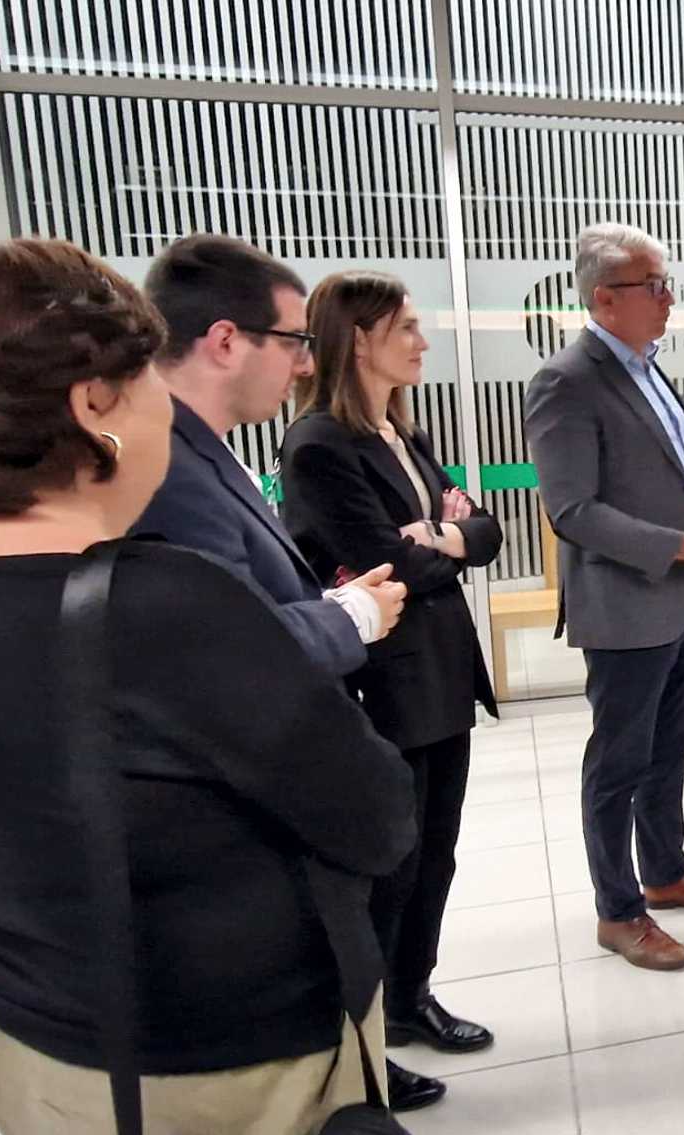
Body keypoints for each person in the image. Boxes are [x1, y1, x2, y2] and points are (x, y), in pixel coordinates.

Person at [0, 239, 415, 1135]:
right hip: (214, 1062)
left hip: (24, 1022)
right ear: (95, 407)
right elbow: (375, 815)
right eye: (146, 388)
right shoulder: (162, 605)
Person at [279, 272, 503, 1086]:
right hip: (385, 681)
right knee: (389, 867)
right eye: (405, 326)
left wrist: (444, 533)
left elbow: (488, 532)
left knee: (435, 854)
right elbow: (389, 564)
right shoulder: (317, 446)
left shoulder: (400, 434)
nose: (421, 340)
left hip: (440, 669)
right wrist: (448, 539)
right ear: (358, 338)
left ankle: (410, 996)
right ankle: (362, 1045)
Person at [525, 222, 684, 973]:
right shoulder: (568, 378)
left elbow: (679, 475)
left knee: (667, 748)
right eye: (652, 285)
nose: (667, 298)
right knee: (616, 761)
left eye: (666, 282)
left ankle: (665, 872)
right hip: (628, 601)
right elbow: (572, 509)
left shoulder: (648, 366)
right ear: (603, 297)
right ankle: (618, 911)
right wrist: (678, 545)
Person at [134, 235, 406, 681]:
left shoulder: (199, 450)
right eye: (294, 341)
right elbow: (230, 647)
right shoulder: (166, 471)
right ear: (225, 342)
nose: (306, 366)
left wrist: (323, 606)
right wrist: (350, 617)